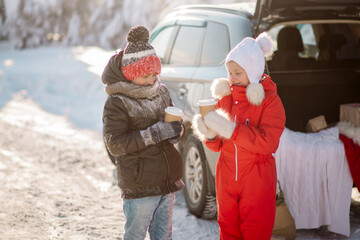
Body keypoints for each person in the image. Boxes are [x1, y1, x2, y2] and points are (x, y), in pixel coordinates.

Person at [192, 32, 286, 240]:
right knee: (227, 226)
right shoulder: (225, 98)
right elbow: (217, 146)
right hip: (226, 176)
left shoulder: (270, 102)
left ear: (253, 72)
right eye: (229, 73)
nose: (232, 78)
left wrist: (231, 130)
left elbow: (268, 143)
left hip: (256, 177)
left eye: (237, 73)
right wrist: (209, 134)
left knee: (256, 228)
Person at [102, 25, 185, 240]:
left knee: (163, 236)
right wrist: (155, 133)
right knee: (135, 235)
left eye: (155, 73)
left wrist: (175, 130)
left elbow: (172, 126)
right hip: (139, 186)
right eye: (146, 75)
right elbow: (115, 144)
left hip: (166, 181)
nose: (152, 80)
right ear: (130, 74)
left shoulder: (161, 91)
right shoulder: (117, 102)